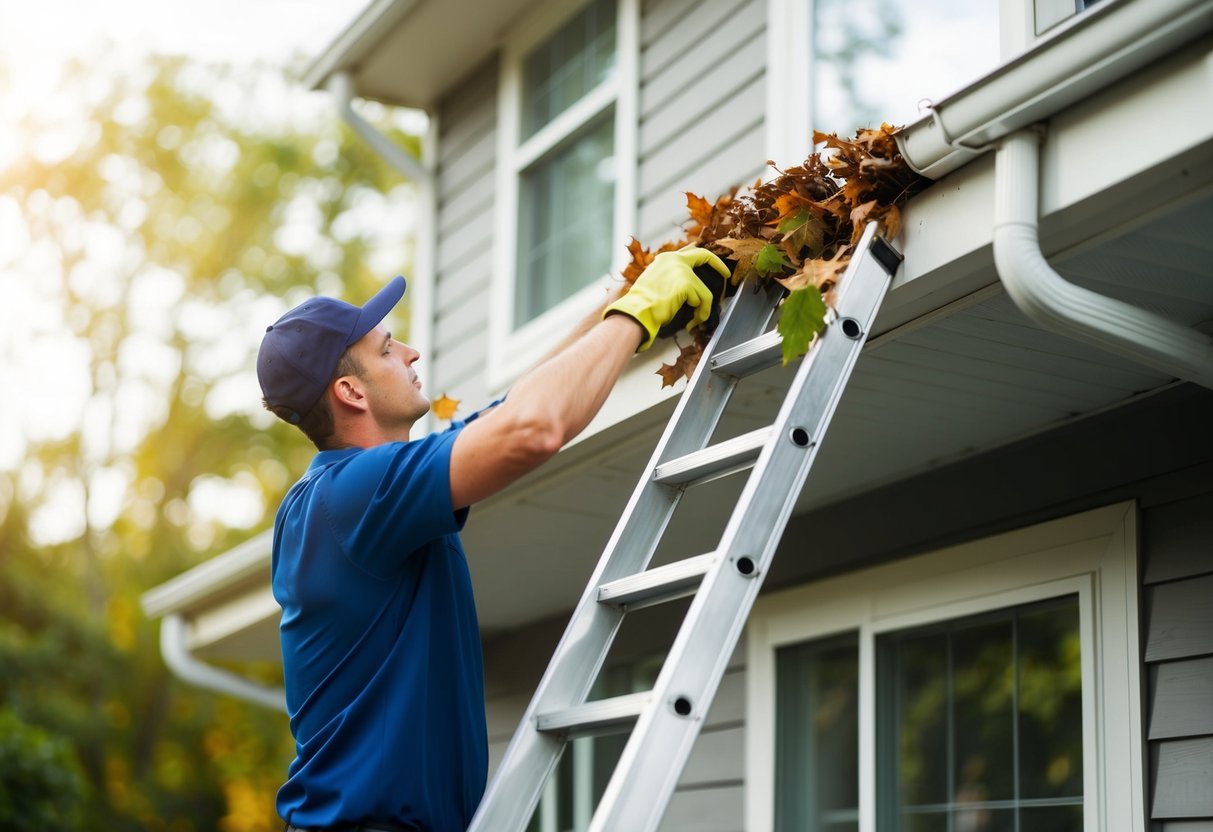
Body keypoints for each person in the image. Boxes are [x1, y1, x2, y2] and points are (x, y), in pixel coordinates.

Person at [255, 247, 730, 832]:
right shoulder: (351, 497)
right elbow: (528, 428)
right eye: (387, 348)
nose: (411, 352)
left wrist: (619, 302)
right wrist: (637, 316)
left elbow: (507, 412)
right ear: (351, 392)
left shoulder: (355, 495)